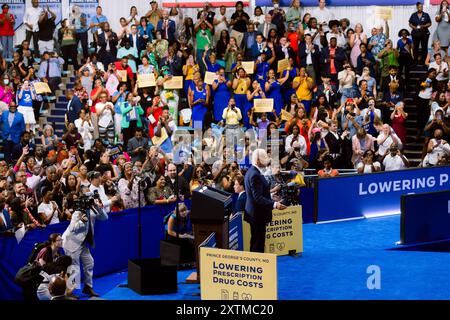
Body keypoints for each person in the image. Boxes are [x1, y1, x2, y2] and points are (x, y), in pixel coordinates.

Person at [62, 192, 108, 298]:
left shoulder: (92, 209)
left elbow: (105, 218)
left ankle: (88, 287)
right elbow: (73, 228)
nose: (90, 201)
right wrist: (82, 221)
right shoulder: (78, 212)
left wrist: (97, 206)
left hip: (82, 242)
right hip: (71, 242)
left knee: (89, 263)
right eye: (89, 200)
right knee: (74, 268)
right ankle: (69, 292)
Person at [244, 149, 286, 253]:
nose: (266, 161)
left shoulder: (252, 171)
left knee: (255, 240)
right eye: (264, 159)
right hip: (257, 214)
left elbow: (258, 194)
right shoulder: (255, 175)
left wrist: (269, 195)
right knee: (258, 242)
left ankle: (255, 264)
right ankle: (258, 265)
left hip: (254, 213)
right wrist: (275, 204)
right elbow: (258, 198)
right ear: (258, 160)